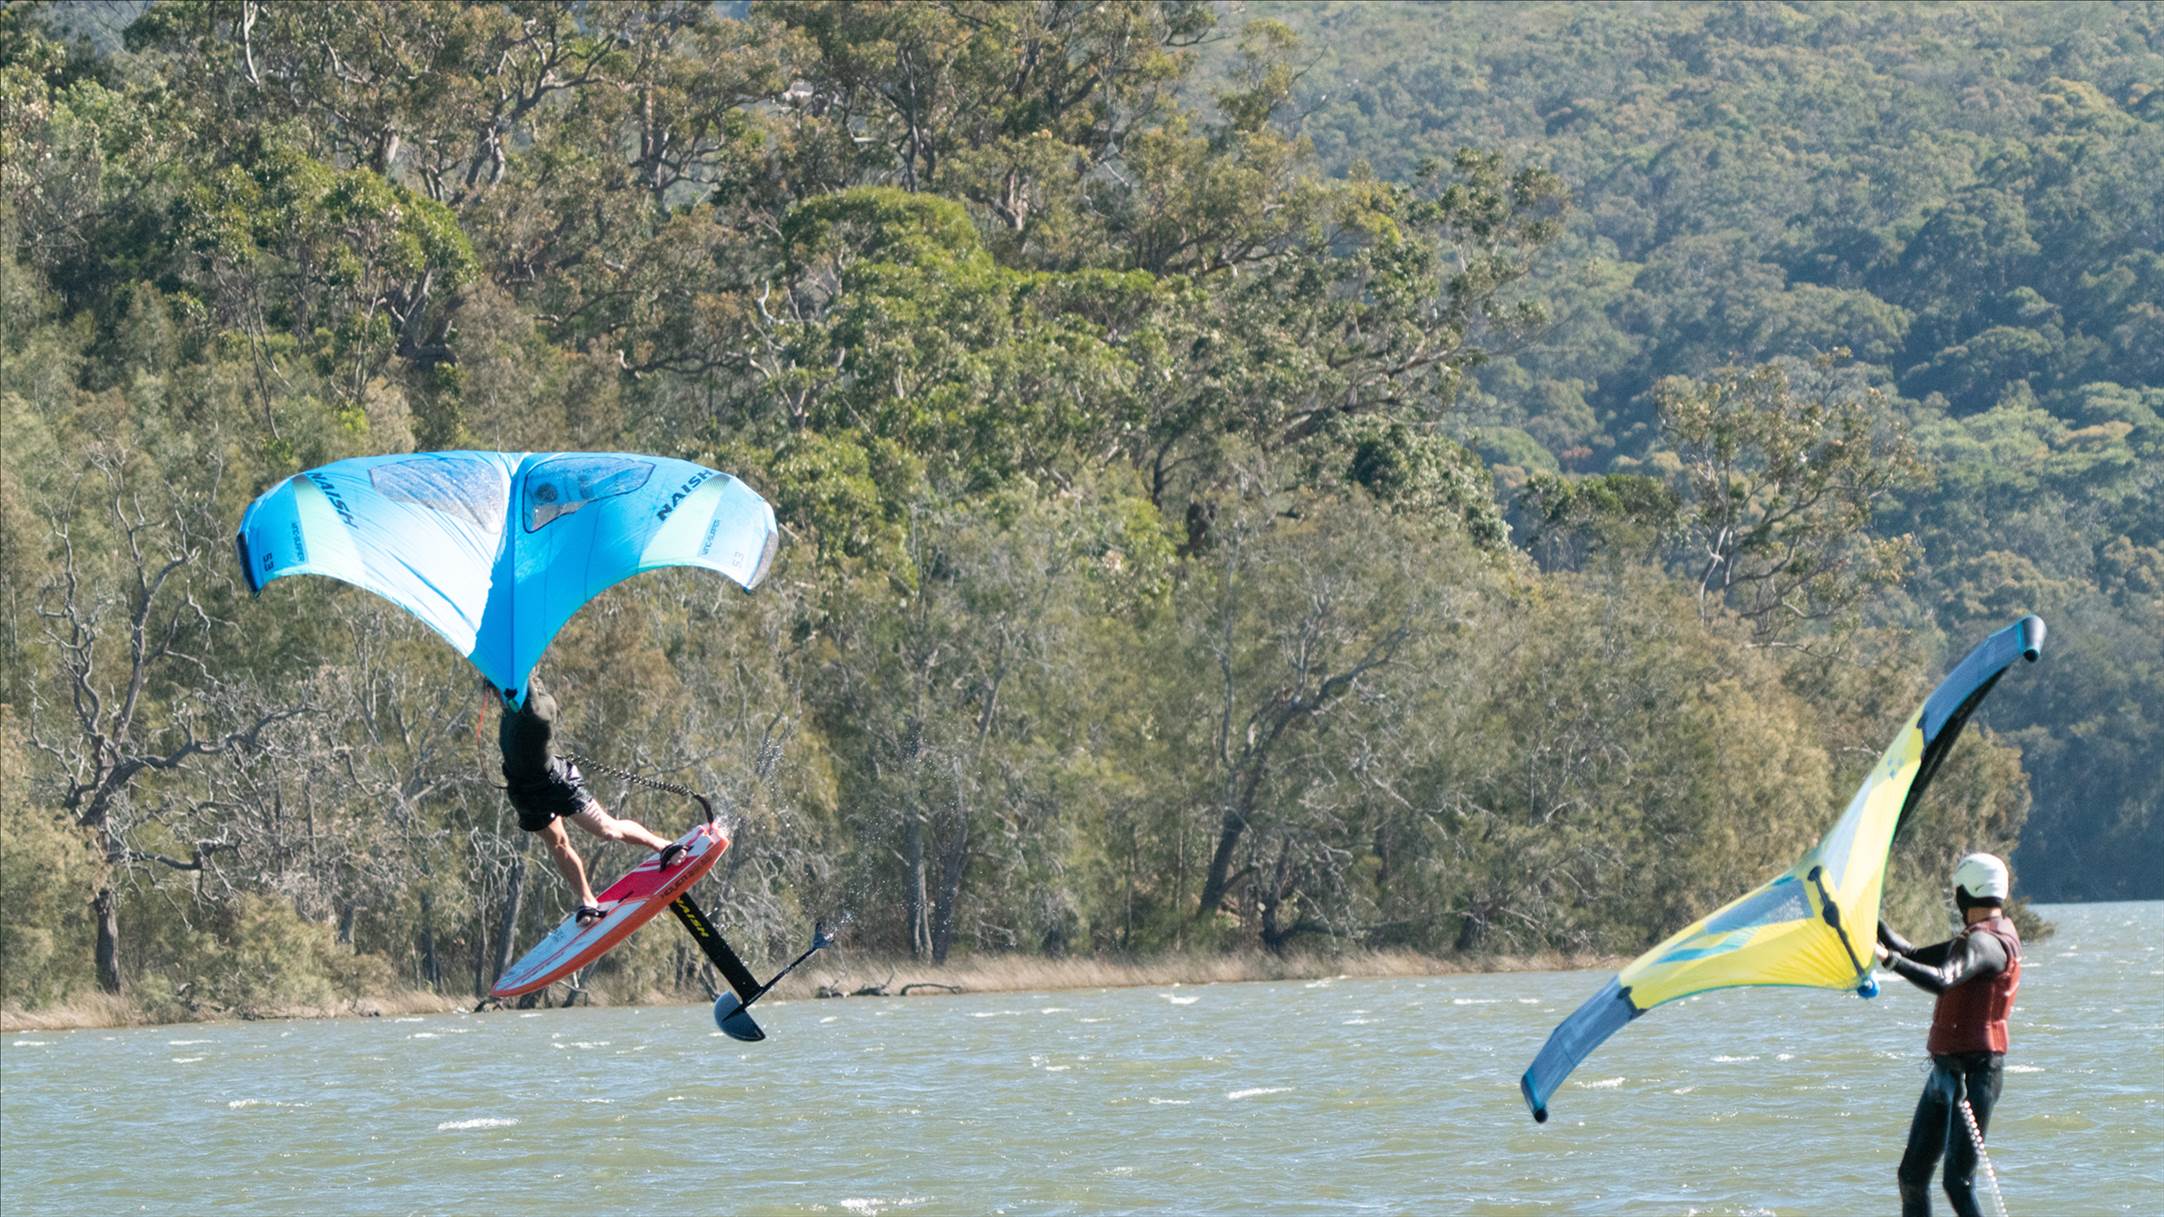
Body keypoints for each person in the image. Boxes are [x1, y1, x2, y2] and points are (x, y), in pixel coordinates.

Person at [1875, 852, 2022, 1217]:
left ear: (1965, 893)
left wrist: (1886, 960)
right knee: (1912, 1176)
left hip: (1976, 1073)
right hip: (1945, 1072)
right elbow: (1913, 953)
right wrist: (1865, 920)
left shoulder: (1986, 945)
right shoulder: (1977, 937)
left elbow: (1941, 980)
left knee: (1957, 1182)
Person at [498, 674, 683, 925]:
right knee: (558, 844)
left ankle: (662, 846)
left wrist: (516, 674)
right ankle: (588, 901)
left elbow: (528, 700)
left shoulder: (541, 709)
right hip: (524, 792)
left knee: (607, 829)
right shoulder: (508, 712)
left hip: (557, 782)